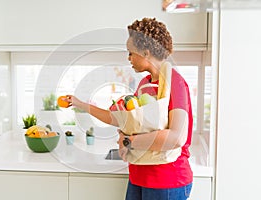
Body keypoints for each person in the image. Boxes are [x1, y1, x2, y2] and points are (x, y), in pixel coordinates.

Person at [64, 18, 193, 200]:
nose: (129, 58)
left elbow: (176, 138)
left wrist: (128, 142)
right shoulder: (144, 84)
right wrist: (81, 104)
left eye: (131, 53)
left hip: (167, 180)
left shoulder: (176, 84)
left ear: (146, 53)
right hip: (139, 176)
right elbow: (119, 118)